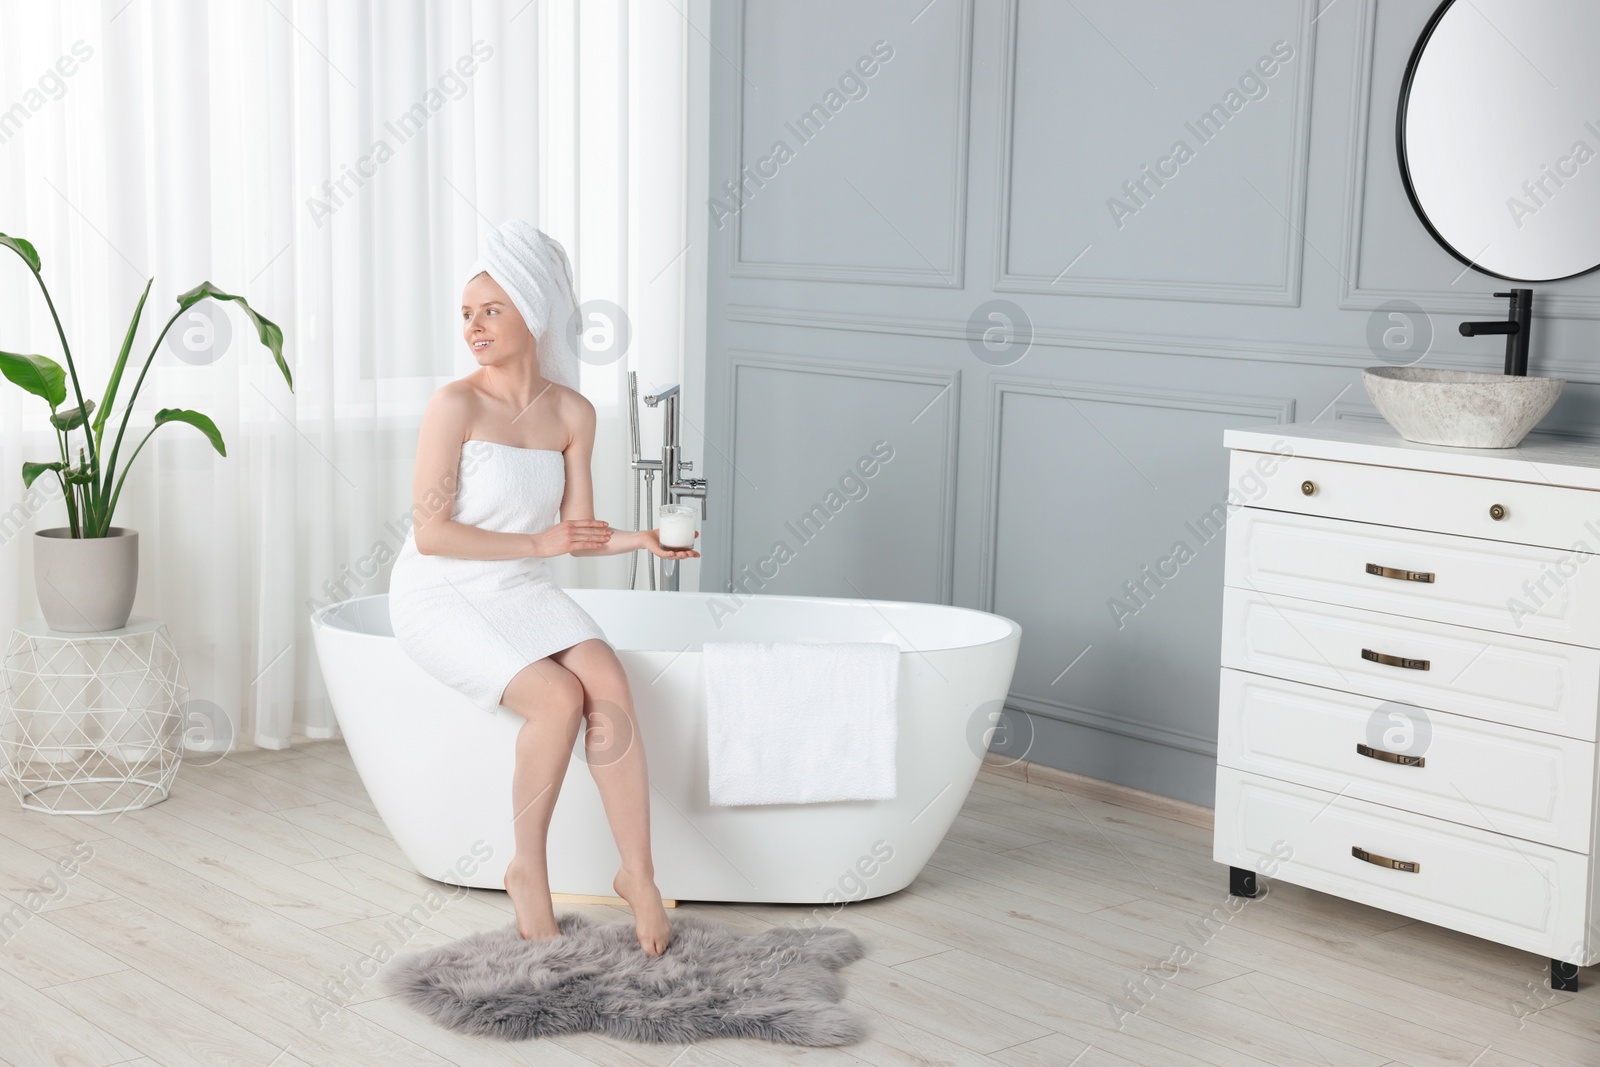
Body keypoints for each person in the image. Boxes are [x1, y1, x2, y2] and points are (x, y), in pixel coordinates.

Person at [387, 220, 698, 957]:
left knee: (606, 678)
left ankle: (639, 875)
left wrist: (643, 539)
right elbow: (431, 534)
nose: (474, 327)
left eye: (490, 310)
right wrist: (537, 544)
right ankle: (527, 866)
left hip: (517, 586)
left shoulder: (572, 413)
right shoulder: (454, 405)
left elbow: (576, 529)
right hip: (440, 591)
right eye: (467, 313)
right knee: (557, 698)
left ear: (532, 310)